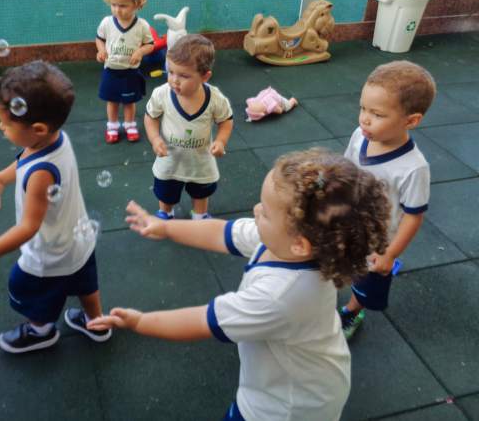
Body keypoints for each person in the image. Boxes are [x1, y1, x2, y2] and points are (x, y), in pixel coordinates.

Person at [88, 149, 391, 421]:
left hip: (289, 406)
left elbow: (203, 321)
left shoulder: (281, 296)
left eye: (266, 212)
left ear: (300, 244)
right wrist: (166, 227)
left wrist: (140, 322)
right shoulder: (287, 243)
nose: (256, 209)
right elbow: (220, 233)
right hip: (309, 371)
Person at [0, 61, 111, 353]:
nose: (1, 127)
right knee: (85, 283)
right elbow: (24, 160)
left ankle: (40, 331)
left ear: (38, 128)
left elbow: (29, 227)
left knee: (27, 288)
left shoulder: (42, 173)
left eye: (6, 124)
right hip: (79, 239)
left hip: (49, 255)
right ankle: (97, 323)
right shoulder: (56, 139)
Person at [339, 60, 436, 340]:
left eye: (377, 114)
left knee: (366, 282)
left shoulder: (413, 168)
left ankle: (353, 311)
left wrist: (389, 254)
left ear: (411, 121)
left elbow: (414, 216)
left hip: (378, 243)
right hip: (350, 222)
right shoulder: (360, 136)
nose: (365, 119)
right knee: (338, 260)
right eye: (363, 108)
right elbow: (346, 168)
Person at [145, 34, 233, 220]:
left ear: (204, 77)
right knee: (166, 191)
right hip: (169, 159)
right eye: (170, 72)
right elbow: (150, 117)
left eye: (184, 75)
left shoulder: (215, 99)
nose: (174, 80)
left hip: (200, 161)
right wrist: (155, 138)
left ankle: (200, 215)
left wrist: (221, 141)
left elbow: (226, 120)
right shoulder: (162, 94)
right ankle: (166, 212)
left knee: (201, 191)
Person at [97, 0, 154, 144]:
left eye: (122, 5)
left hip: (130, 71)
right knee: (112, 101)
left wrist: (140, 52)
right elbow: (99, 39)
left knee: (129, 102)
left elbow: (150, 44)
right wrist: (101, 50)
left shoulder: (142, 26)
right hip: (111, 70)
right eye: (113, 4)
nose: (117, 9)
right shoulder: (107, 22)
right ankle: (112, 126)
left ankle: (130, 125)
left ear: (136, 4)